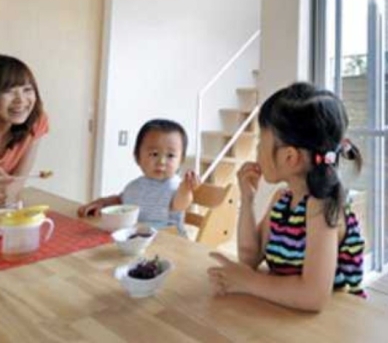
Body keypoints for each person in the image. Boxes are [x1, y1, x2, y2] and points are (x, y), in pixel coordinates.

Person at [208, 82, 365, 312]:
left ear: (290, 157)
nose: (257, 151)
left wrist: (247, 282)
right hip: (288, 315)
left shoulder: (321, 208)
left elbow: (313, 296)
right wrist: (248, 200)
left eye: (261, 143)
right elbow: (250, 257)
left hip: (336, 323)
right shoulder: (282, 199)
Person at [78, 118, 199, 235]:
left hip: (168, 240)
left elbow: (180, 204)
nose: (162, 161)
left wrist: (186, 189)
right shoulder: (134, 186)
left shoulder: (177, 186)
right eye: (154, 154)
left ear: (181, 160)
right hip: (137, 237)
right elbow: (121, 200)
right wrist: (102, 202)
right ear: (137, 157)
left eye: (170, 155)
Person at [0, 54, 49, 207]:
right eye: (9, 91)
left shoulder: (36, 121)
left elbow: (16, 185)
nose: (21, 100)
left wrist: (8, 195)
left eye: (27, 89)